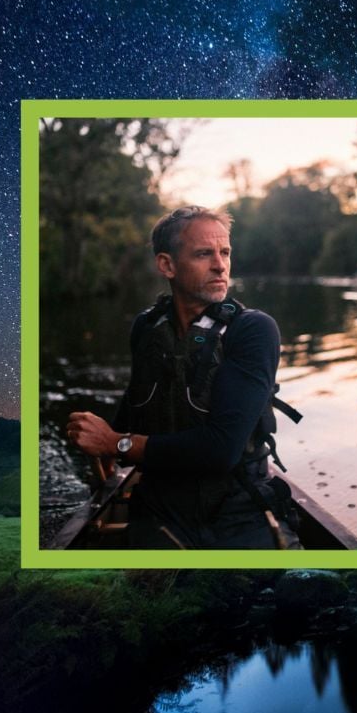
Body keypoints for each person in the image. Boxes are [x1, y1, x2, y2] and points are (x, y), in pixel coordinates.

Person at [66, 206, 300, 549]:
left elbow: (221, 450)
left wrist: (116, 442)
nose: (220, 265)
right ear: (167, 265)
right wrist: (95, 437)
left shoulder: (253, 330)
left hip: (239, 511)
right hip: (161, 508)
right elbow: (136, 406)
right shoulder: (147, 327)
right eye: (204, 254)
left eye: (225, 253)